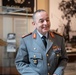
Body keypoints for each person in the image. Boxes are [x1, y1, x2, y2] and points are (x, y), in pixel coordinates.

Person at [15, 9, 68, 75]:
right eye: (41, 21)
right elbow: (20, 63)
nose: (45, 23)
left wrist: (57, 73)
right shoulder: (26, 40)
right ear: (34, 24)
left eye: (47, 20)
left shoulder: (59, 39)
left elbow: (64, 59)